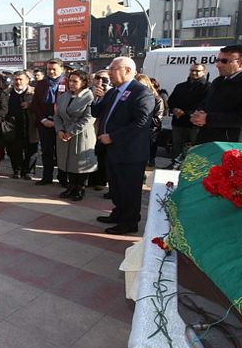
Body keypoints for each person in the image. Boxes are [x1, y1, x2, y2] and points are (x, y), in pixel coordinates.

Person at [92, 57, 154, 235]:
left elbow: (141, 123)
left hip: (130, 152)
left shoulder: (141, 92)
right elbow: (96, 112)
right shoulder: (112, 92)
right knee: (116, 186)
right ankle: (118, 213)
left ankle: (130, 221)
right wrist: (97, 98)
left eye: (113, 69)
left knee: (129, 188)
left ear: (127, 70)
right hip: (112, 151)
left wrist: (112, 137)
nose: (109, 73)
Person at [191, 45, 242, 144]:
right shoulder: (219, 81)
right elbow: (207, 103)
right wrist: (198, 114)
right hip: (208, 141)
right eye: (218, 60)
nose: (218, 65)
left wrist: (209, 118)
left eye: (225, 61)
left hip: (233, 146)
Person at [54, 70, 97, 201]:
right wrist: (60, 130)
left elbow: (88, 118)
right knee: (67, 162)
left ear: (84, 82)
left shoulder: (90, 97)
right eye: (70, 81)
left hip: (81, 135)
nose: (71, 84)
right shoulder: (63, 97)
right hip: (64, 134)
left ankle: (80, 189)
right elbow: (57, 115)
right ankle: (71, 186)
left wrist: (70, 132)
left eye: (75, 81)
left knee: (80, 162)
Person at [32, 58, 69, 186]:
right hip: (45, 122)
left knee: (61, 152)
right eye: (49, 69)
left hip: (62, 123)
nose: (51, 72)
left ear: (61, 69)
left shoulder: (68, 83)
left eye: (54, 69)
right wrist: (43, 119)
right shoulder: (41, 84)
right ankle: (46, 177)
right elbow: (35, 104)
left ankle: (63, 177)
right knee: (46, 151)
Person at [166, 63, 209, 167]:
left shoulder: (208, 87)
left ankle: (191, 169)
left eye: (197, 71)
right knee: (176, 146)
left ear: (204, 72)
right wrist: (174, 109)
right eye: (191, 70)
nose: (193, 72)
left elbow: (205, 104)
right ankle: (174, 166)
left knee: (195, 148)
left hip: (195, 124)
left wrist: (185, 112)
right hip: (178, 122)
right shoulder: (180, 86)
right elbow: (171, 100)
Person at [4, 71, 38, 180]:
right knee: (14, 150)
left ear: (27, 80)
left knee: (31, 150)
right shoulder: (6, 93)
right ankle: (17, 170)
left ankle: (29, 172)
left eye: (21, 79)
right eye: (16, 79)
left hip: (30, 126)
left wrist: (31, 105)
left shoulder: (34, 92)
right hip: (12, 127)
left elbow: (41, 107)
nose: (18, 82)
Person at [135, 74, 165, 167]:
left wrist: (140, 118)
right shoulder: (135, 98)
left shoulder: (157, 99)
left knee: (146, 161)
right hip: (136, 132)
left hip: (150, 134)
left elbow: (157, 120)